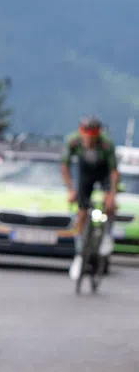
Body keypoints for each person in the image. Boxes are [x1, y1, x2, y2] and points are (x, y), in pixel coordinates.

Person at [61, 116, 119, 280]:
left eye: (92, 136)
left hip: (103, 171)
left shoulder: (106, 144)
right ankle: (79, 254)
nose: (89, 139)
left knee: (109, 204)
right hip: (85, 173)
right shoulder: (73, 141)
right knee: (81, 212)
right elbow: (64, 166)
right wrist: (71, 189)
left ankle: (107, 235)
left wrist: (112, 195)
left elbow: (114, 171)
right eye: (86, 135)